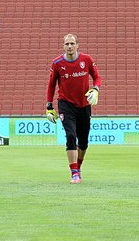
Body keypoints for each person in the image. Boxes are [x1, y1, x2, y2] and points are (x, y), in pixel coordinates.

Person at [45, 33, 102, 184]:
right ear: (63, 46)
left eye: (72, 44)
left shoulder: (87, 60)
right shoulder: (57, 63)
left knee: (83, 142)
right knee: (71, 135)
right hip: (66, 104)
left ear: (77, 45)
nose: (69, 46)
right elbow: (51, 85)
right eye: (67, 44)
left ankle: (79, 167)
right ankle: (74, 173)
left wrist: (96, 89)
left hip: (84, 104)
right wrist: (49, 106)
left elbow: (97, 77)